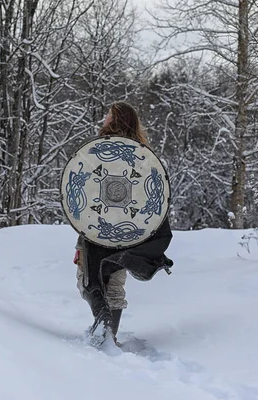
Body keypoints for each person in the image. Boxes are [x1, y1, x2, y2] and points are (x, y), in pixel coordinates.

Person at [72, 101, 174, 344]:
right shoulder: (143, 155)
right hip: (127, 232)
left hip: (100, 229)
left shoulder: (99, 153)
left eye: (108, 116)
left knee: (88, 279)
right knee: (114, 281)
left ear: (117, 120)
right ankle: (108, 333)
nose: (104, 120)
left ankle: (104, 326)